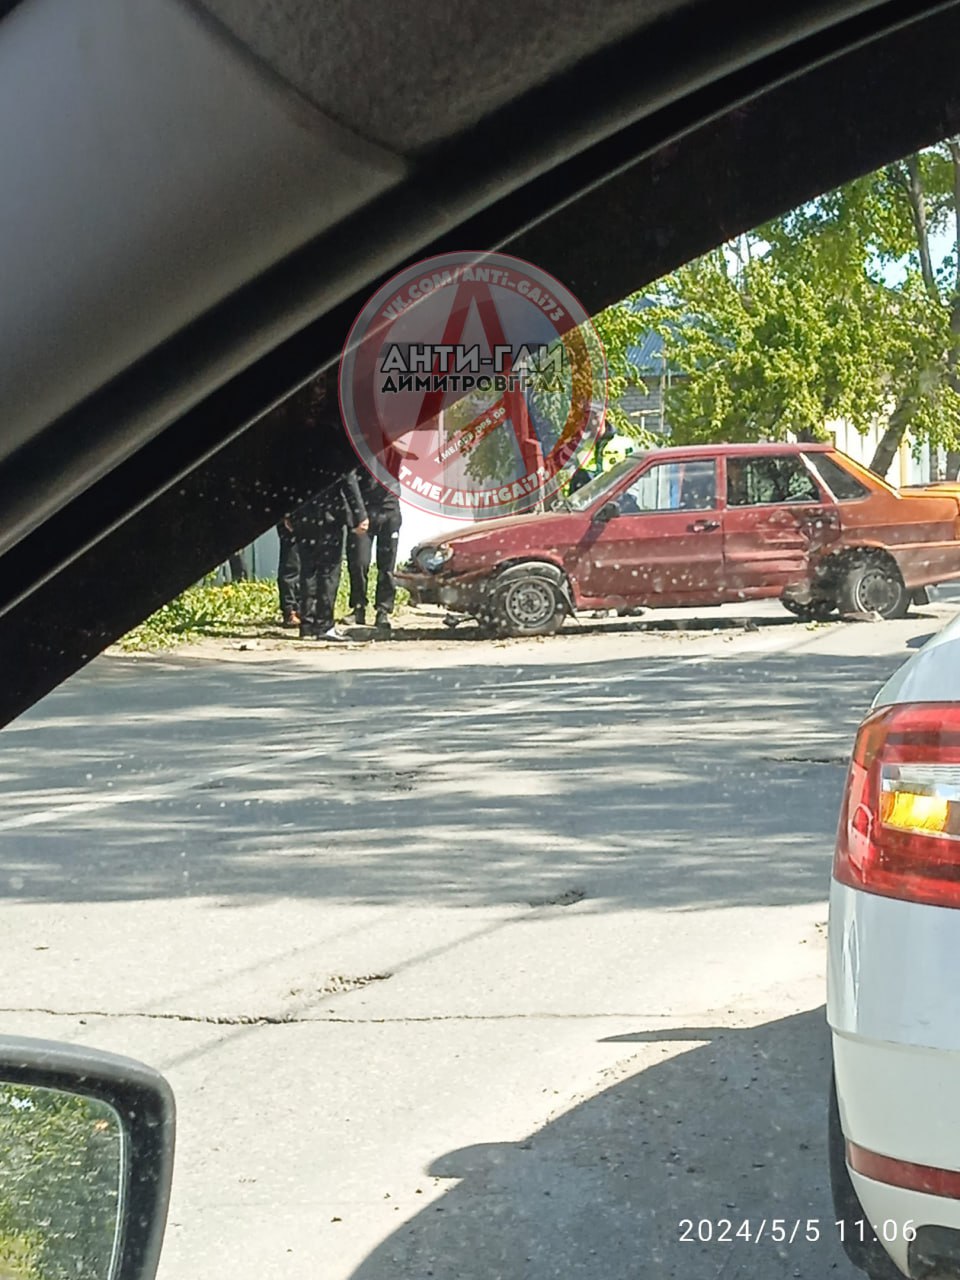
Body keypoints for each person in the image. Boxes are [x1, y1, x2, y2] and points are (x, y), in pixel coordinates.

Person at [287, 379, 368, 642]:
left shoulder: (297, 435)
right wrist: (359, 514)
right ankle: (324, 625)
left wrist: (287, 512)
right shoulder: (335, 433)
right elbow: (347, 477)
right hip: (329, 514)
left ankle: (307, 625)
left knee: (307, 568)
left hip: (302, 514)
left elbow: (286, 475)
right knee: (329, 570)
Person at [347, 471, 402, 632]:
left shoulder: (394, 449)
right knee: (358, 562)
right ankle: (358, 607)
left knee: (387, 566)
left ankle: (383, 610)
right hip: (365, 510)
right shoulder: (361, 449)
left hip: (390, 510)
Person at [276, 517, 301, 627]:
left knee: (305, 567)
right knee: (291, 565)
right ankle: (290, 610)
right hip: (293, 517)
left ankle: (301, 608)